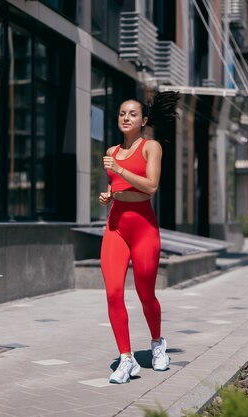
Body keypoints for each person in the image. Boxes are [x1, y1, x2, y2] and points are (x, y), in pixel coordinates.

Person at [99, 90, 180, 384]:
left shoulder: (151, 147)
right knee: (112, 293)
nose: (126, 118)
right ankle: (126, 358)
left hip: (144, 228)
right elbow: (121, 185)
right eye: (122, 113)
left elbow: (151, 186)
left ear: (143, 120)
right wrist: (110, 194)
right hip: (116, 227)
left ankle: (158, 343)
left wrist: (120, 170)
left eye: (132, 114)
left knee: (146, 294)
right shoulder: (111, 152)